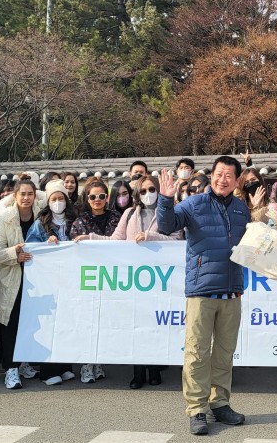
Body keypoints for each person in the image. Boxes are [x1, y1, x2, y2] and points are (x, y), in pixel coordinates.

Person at [157, 157, 249, 436]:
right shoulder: (193, 204)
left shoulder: (242, 209)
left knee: (224, 353)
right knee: (197, 352)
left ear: (236, 180)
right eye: (219, 174)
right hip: (201, 291)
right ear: (212, 176)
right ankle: (197, 409)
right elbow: (166, 225)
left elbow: (251, 245)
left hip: (232, 290)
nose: (223, 179)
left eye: (229, 175)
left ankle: (219, 403)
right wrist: (165, 199)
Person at [79, 175, 181, 389]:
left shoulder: (171, 212)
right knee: (135, 325)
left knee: (156, 326)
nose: (147, 194)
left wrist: (152, 236)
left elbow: (178, 239)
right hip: (134, 280)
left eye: (151, 189)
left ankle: (155, 370)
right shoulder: (129, 214)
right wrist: (91, 238)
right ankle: (137, 372)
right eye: (143, 191)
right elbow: (116, 240)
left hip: (161, 278)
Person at [0, 177, 41, 390]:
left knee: (30, 324)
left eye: (30, 194)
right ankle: (10, 369)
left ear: (35, 196)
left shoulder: (42, 216)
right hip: (11, 281)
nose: (26, 198)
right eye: (22, 194)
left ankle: (24, 362)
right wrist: (13, 255)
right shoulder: (5, 220)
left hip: (37, 282)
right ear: (15, 196)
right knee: (10, 325)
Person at [24, 180, 77, 386]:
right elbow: (30, 246)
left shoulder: (74, 219)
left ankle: (64, 367)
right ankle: (47, 371)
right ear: (48, 201)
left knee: (67, 322)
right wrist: (46, 244)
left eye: (60, 198)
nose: (57, 202)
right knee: (50, 325)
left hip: (70, 280)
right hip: (48, 281)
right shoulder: (41, 222)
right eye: (53, 199)